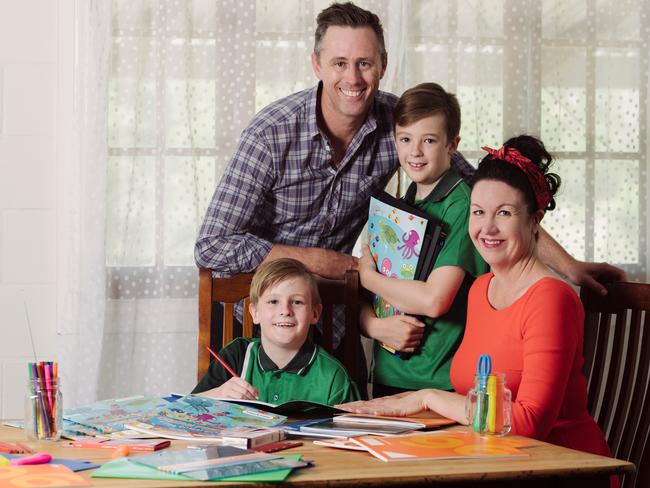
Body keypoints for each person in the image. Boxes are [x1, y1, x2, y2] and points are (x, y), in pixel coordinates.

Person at [195, 2, 625, 352]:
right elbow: (212, 245)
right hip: (251, 319)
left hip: (339, 312)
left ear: (383, 64)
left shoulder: (401, 126)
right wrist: (318, 259)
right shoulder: (271, 133)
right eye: (340, 62)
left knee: (342, 439)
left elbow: (486, 196)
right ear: (317, 65)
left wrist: (568, 266)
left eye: (364, 63)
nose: (353, 77)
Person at [339, 135, 613, 466]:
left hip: (559, 466)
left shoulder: (552, 299)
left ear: (534, 221)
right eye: (478, 212)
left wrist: (428, 396)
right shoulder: (481, 289)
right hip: (493, 460)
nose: (487, 228)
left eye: (505, 213)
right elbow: (478, 395)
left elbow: (528, 424)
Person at [359, 83, 488, 397]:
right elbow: (373, 298)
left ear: (451, 145)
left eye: (428, 140)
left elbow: (434, 300)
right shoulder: (404, 203)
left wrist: (367, 277)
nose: (414, 152)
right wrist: (372, 325)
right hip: (390, 372)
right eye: (405, 139)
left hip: (438, 381)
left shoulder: (462, 206)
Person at [192, 258, 360, 405]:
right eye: (273, 301)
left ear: (314, 314)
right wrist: (217, 395)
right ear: (255, 313)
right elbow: (186, 409)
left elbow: (352, 434)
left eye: (296, 302)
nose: (285, 310)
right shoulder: (236, 355)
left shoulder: (333, 376)